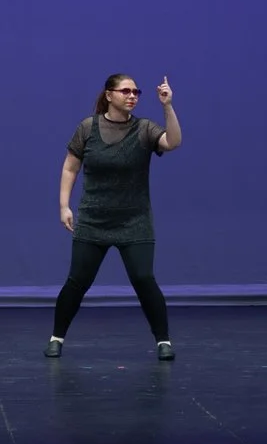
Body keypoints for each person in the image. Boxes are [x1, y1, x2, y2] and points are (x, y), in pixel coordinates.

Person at [48, 74, 182, 359]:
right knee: (77, 281)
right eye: (125, 91)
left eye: (136, 92)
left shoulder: (144, 129)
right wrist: (64, 206)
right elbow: (70, 168)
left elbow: (173, 142)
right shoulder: (88, 127)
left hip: (135, 220)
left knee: (144, 278)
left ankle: (163, 342)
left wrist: (167, 106)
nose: (132, 96)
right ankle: (56, 337)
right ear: (109, 95)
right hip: (94, 219)